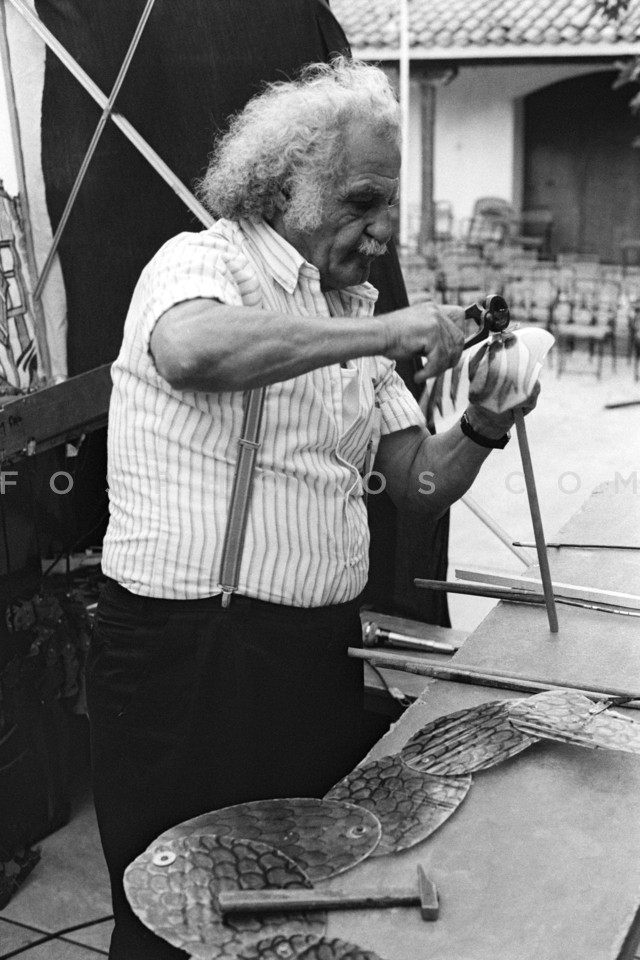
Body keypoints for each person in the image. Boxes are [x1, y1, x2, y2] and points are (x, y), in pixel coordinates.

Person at [86, 57, 539, 959]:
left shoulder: (350, 310)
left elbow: (415, 482)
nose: (381, 231)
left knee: (300, 903)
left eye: (387, 207)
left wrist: (484, 423)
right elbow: (191, 351)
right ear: (288, 183)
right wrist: (384, 331)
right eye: (362, 202)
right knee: (181, 914)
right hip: (191, 654)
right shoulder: (204, 261)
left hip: (311, 653)